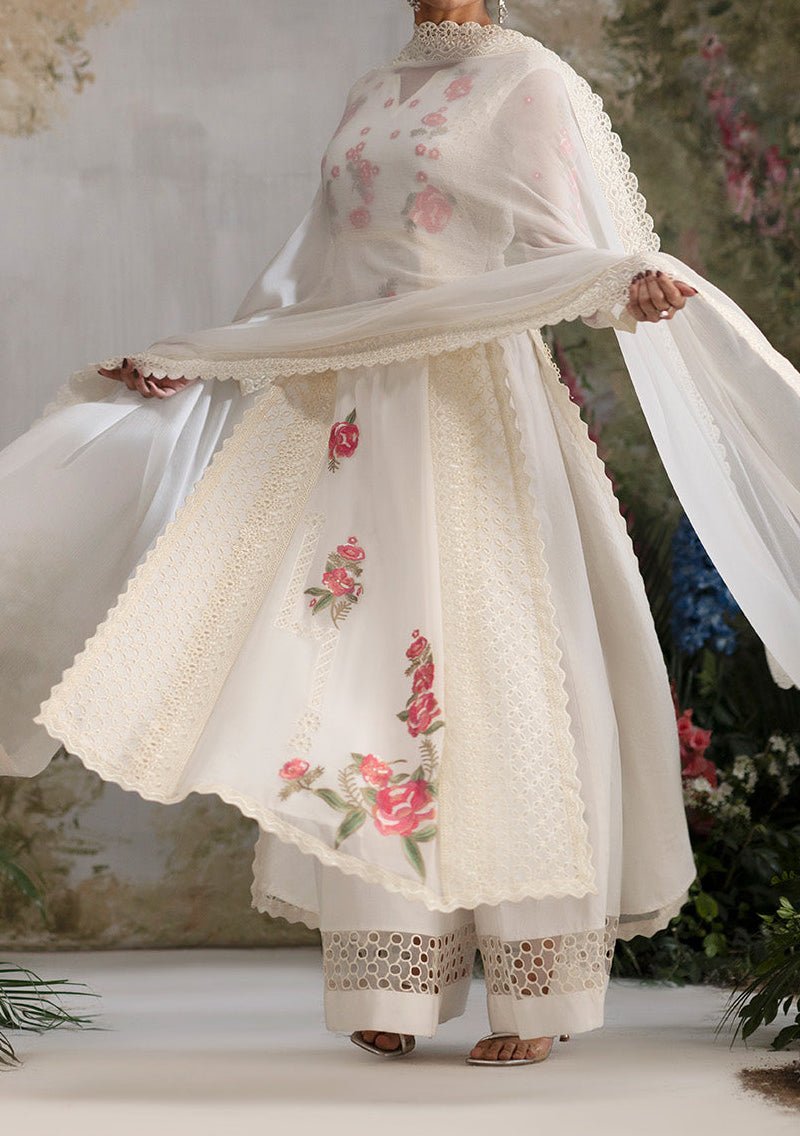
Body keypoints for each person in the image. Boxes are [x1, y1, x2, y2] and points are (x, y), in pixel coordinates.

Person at [1, 0, 798, 1067]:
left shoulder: (528, 82)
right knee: (367, 677)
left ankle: (535, 988)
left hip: (476, 408)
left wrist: (628, 284)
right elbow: (311, 275)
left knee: (503, 672)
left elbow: (576, 248)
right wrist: (198, 354)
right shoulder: (373, 89)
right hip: (362, 414)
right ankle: (396, 977)